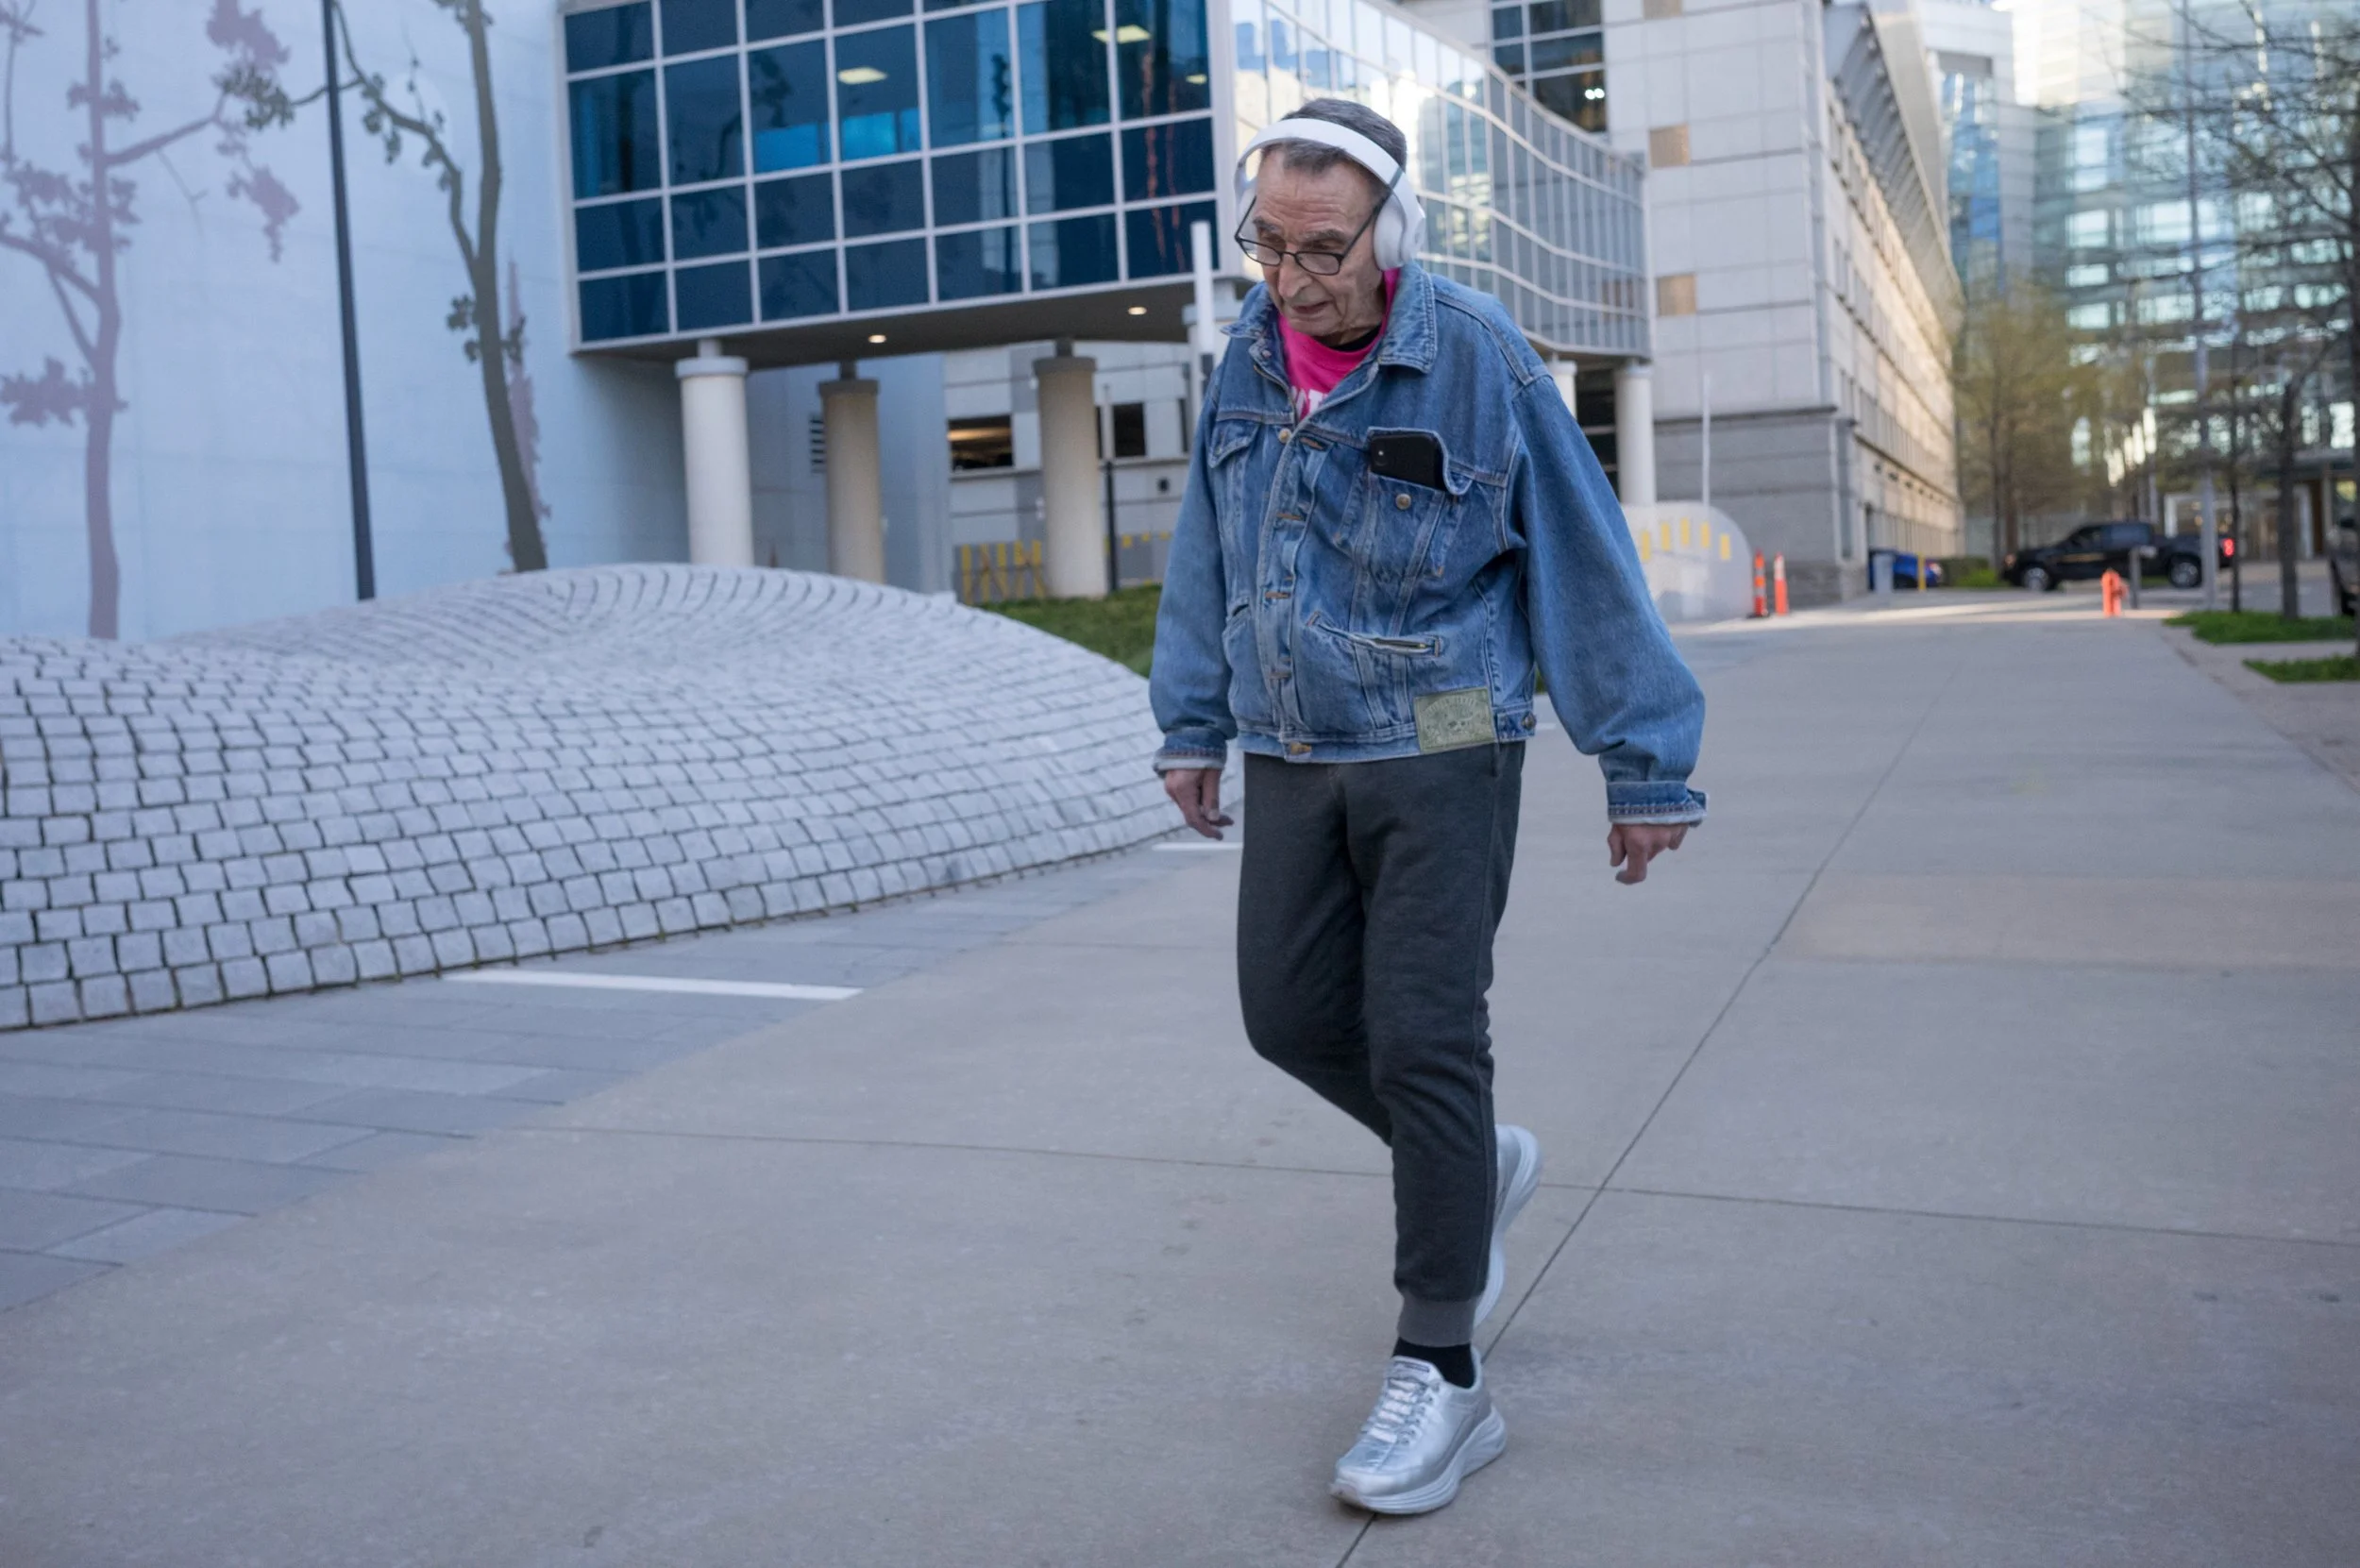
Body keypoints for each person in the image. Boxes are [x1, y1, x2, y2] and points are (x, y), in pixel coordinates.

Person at [1148, 99, 1708, 1515]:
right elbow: (1209, 548)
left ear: (1389, 237)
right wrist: (1191, 720)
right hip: (1292, 744)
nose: (1293, 279)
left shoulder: (1476, 355)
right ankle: (1473, 1161)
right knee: (1289, 1017)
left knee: (1426, 1036)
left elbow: (1582, 555)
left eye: (1322, 249)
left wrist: (1642, 757)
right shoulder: (1247, 356)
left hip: (1449, 735)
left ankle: (1444, 1373)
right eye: (1268, 246)